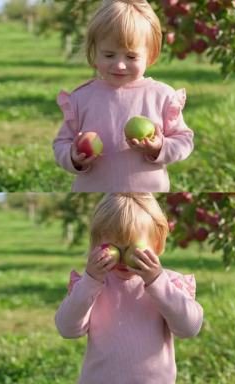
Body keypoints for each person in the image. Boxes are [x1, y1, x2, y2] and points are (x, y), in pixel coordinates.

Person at [55, 193, 203, 383]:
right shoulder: (92, 285)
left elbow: (189, 328)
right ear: (97, 245)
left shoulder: (168, 284)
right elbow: (67, 328)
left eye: (133, 249)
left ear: (156, 245)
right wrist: (91, 281)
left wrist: (157, 281)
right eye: (114, 248)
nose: (124, 258)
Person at [53, 0, 194, 192]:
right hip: (95, 192)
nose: (119, 65)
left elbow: (183, 140)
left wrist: (159, 147)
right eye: (109, 55)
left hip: (147, 194)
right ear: (94, 53)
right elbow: (61, 143)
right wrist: (72, 156)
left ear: (150, 55)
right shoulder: (82, 98)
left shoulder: (161, 95)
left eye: (131, 57)